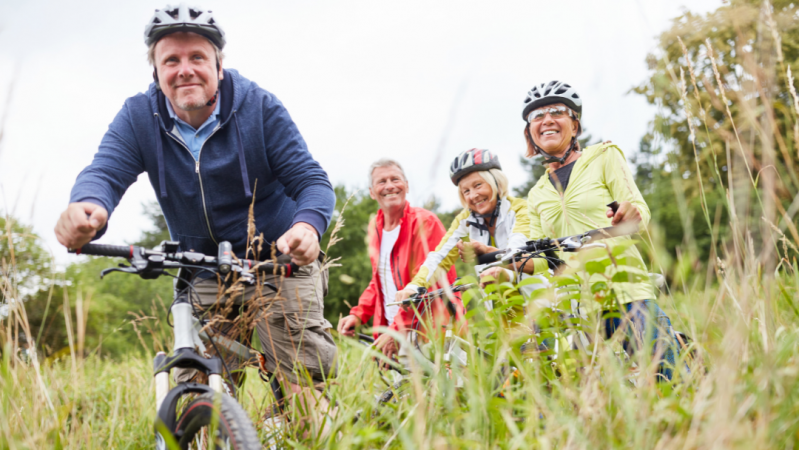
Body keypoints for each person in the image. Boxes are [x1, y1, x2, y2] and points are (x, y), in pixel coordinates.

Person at [53, 3, 337, 422]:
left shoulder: (259, 107)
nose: (185, 69)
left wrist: (307, 226)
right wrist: (87, 207)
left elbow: (310, 179)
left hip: (278, 266)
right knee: (199, 388)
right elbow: (105, 172)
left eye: (197, 57)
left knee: (300, 387)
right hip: (203, 270)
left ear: (219, 67)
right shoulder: (138, 116)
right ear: (157, 73)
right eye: (171, 60)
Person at [519, 80, 681, 380]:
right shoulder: (537, 193)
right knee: (590, 393)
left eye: (557, 111)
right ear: (530, 132)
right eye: (536, 116)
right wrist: (518, 263)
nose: (547, 120)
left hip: (624, 287)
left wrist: (629, 214)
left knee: (667, 377)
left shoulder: (604, 156)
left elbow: (639, 212)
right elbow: (545, 256)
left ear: (575, 125)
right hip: (575, 306)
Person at [336, 159, 459, 364]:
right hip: (393, 337)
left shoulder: (425, 222)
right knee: (401, 395)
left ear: (407, 186)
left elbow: (427, 288)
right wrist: (358, 315)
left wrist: (396, 331)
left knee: (435, 395)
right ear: (372, 192)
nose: (390, 186)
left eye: (395, 179)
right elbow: (379, 281)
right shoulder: (375, 228)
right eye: (382, 181)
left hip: (428, 333)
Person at [393, 148, 539, 315]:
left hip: (537, 306)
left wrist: (501, 269)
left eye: (478, 185)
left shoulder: (520, 209)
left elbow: (517, 249)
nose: (473, 195)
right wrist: (415, 286)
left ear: (496, 183)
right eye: (466, 191)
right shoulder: (464, 221)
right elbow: (440, 257)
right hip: (499, 312)